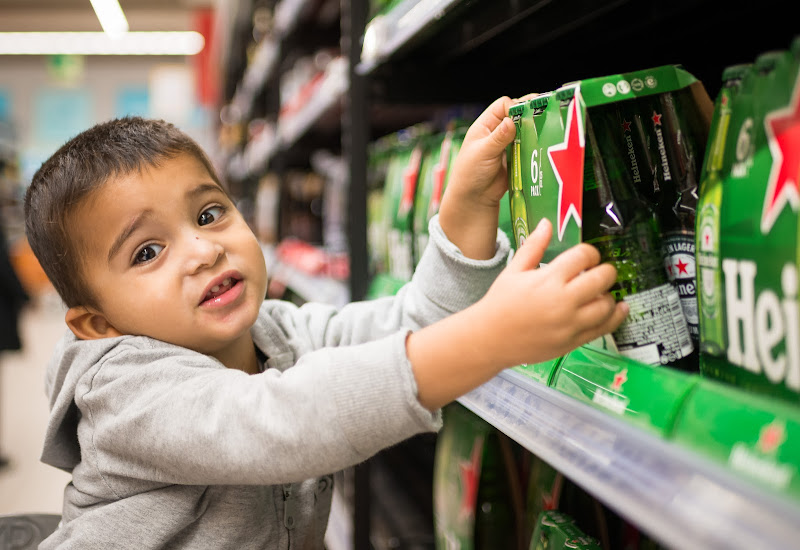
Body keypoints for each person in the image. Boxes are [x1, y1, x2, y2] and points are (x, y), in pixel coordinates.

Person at [24, 96, 628, 549]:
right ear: (99, 323)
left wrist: (465, 216)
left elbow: (411, 323)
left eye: (209, 213)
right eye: (147, 252)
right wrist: (492, 338)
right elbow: (279, 421)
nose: (204, 251)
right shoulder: (124, 392)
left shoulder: (276, 333)